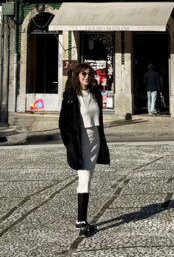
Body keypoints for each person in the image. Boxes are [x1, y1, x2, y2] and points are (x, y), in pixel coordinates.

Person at [58, 63, 110, 237]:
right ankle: (80, 220)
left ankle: (82, 219)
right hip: (81, 141)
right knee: (84, 178)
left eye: (89, 74)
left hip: (95, 139)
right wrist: (70, 144)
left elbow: (98, 119)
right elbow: (63, 124)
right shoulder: (71, 96)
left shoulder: (95, 93)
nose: (86, 77)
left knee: (88, 177)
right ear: (77, 76)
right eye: (83, 74)